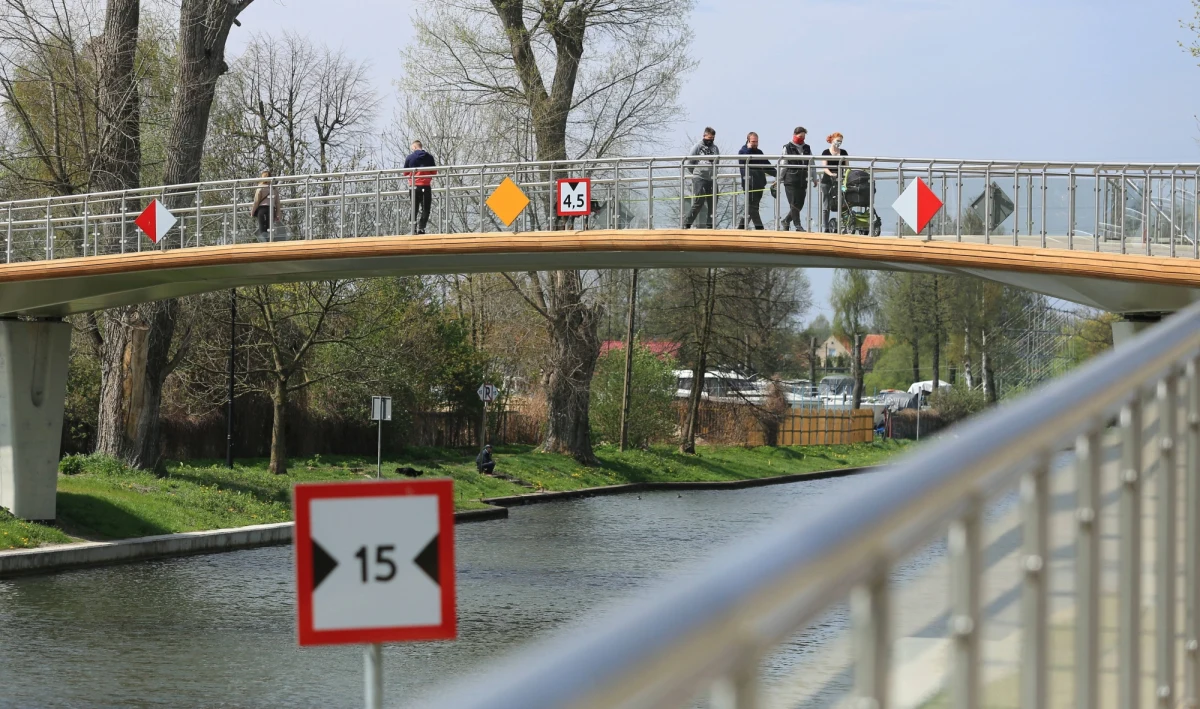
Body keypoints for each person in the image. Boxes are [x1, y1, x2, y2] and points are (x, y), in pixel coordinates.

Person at [736, 132, 775, 230]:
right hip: (749, 183)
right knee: (753, 207)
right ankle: (759, 228)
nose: (755, 143)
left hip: (759, 183)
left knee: (752, 207)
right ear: (748, 141)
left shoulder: (759, 152)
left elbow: (767, 166)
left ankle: (741, 227)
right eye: (753, 141)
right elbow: (743, 161)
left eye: (756, 141)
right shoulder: (743, 151)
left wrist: (778, 174)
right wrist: (749, 149)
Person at [684, 127, 720, 229]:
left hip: (711, 178)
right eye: (709, 138)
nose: (710, 140)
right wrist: (696, 173)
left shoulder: (715, 148)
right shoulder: (697, 146)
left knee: (713, 201)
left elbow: (717, 162)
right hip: (699, 177)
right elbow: (690, 162)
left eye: (712, 138)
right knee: (699, 200)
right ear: (704, 136)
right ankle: (687, 223)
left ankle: (710, 225)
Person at [780, 127, 813, 231]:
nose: (802, 138)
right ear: (794, 135)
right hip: (791, 180)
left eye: (803, 137)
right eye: (800, 136)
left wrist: (814, 178)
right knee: (794, 203)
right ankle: (797, 225)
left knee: (800, 204)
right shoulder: (787, 147)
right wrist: (779, 178)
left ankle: (786, 221)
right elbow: (783, 164)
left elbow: (812, 163)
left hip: (803, 180)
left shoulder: (807, 148)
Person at [403, 141, 437, 235]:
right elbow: (434, 172)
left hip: (414, 185)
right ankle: (421, 228)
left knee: (414, 207)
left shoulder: (410, 157)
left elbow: (405, 172)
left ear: (414, 147)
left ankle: (413, 228)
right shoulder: (429, 157)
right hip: (426, 185)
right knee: (426, 208)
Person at [820, 133, 849, 233]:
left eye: (841, 141)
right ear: (832, 140)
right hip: (827, 180)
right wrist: (831, 174)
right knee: (826, 203)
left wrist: (845, 177)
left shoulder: (843, 152)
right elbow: (824, 167)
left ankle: (843, 225)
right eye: (838, 140)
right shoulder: (826, 152)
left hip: (840, 180)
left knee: (842, 202)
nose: (839, 143)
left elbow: (847, 167)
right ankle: (825, 226)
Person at [250, 170, 281, 240]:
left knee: (262, 228)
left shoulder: (260, 187)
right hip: (271, 209)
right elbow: (277, 203)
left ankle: (264, 241)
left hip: (262, 209)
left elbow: (256, 202)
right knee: (269, 227)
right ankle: (269, 241)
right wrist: (278, 214)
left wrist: (252, 211)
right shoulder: (274, 188)